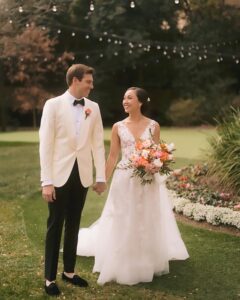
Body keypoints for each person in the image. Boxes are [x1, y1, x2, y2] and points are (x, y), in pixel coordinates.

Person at [76, 87, 189, 285]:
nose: (124, 101)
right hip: (123, 178)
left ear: (141, 102)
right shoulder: (118, 127)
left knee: (146, 216)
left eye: (129, 98)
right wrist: (102, 179)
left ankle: (145, 258)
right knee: (122, 216)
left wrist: (156, 164)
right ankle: (122, 255)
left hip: (147, 180)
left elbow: (156, 153)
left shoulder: (154, 126)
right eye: (124, 98)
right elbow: (113, 156)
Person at [39, 64, 106, 296]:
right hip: (58, 174)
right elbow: (45, 145)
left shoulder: (94, 108)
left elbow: (98, 143)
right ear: (75, 81)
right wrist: (46, 181)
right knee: (55, 223)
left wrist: (100, 176)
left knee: (74, 222)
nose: (92, 85)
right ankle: (49, 278)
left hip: (83, 173)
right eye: (88, 81)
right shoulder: (53, 105)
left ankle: (69, 271)